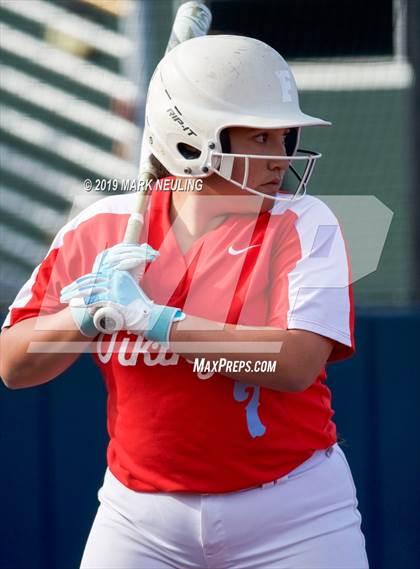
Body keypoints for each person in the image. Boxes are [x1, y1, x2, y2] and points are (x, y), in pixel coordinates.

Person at [0, 35, 369, 568]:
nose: (278, 158)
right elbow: (13, 365)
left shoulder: (305, 223)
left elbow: (294, 363)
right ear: (191, 141)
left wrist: (157, 322)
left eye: (283, 137)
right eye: (259, 137)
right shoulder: (100, 228)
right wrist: (83, 318)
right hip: (140, 519)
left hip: (294, 513)